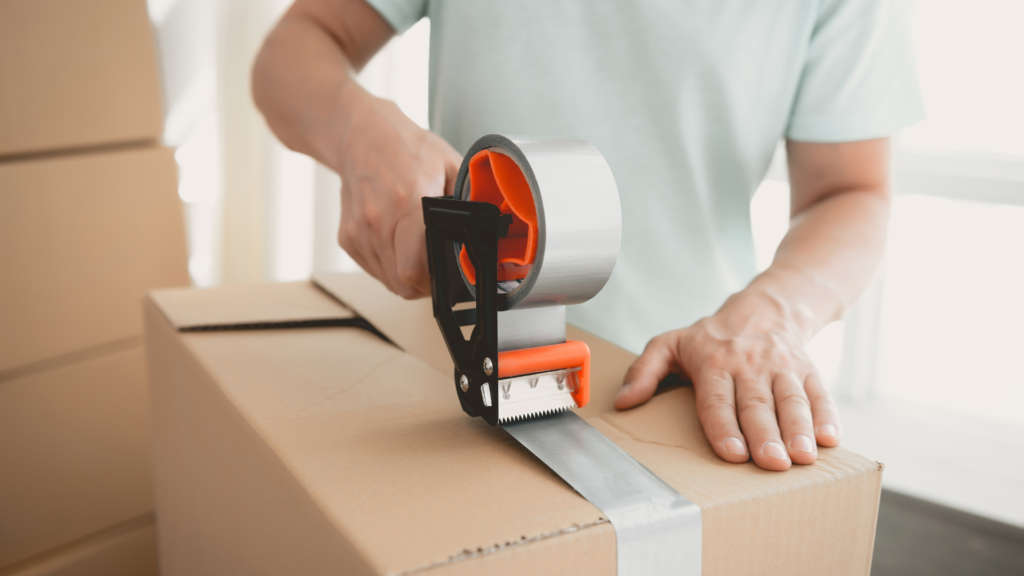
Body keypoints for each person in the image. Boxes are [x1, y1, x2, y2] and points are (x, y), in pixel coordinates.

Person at [253, 0, 923, 472]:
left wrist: (772, 316)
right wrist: (358, 130)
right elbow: (296, 44)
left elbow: (851, 191)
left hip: (682, 379)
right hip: (457, 354)